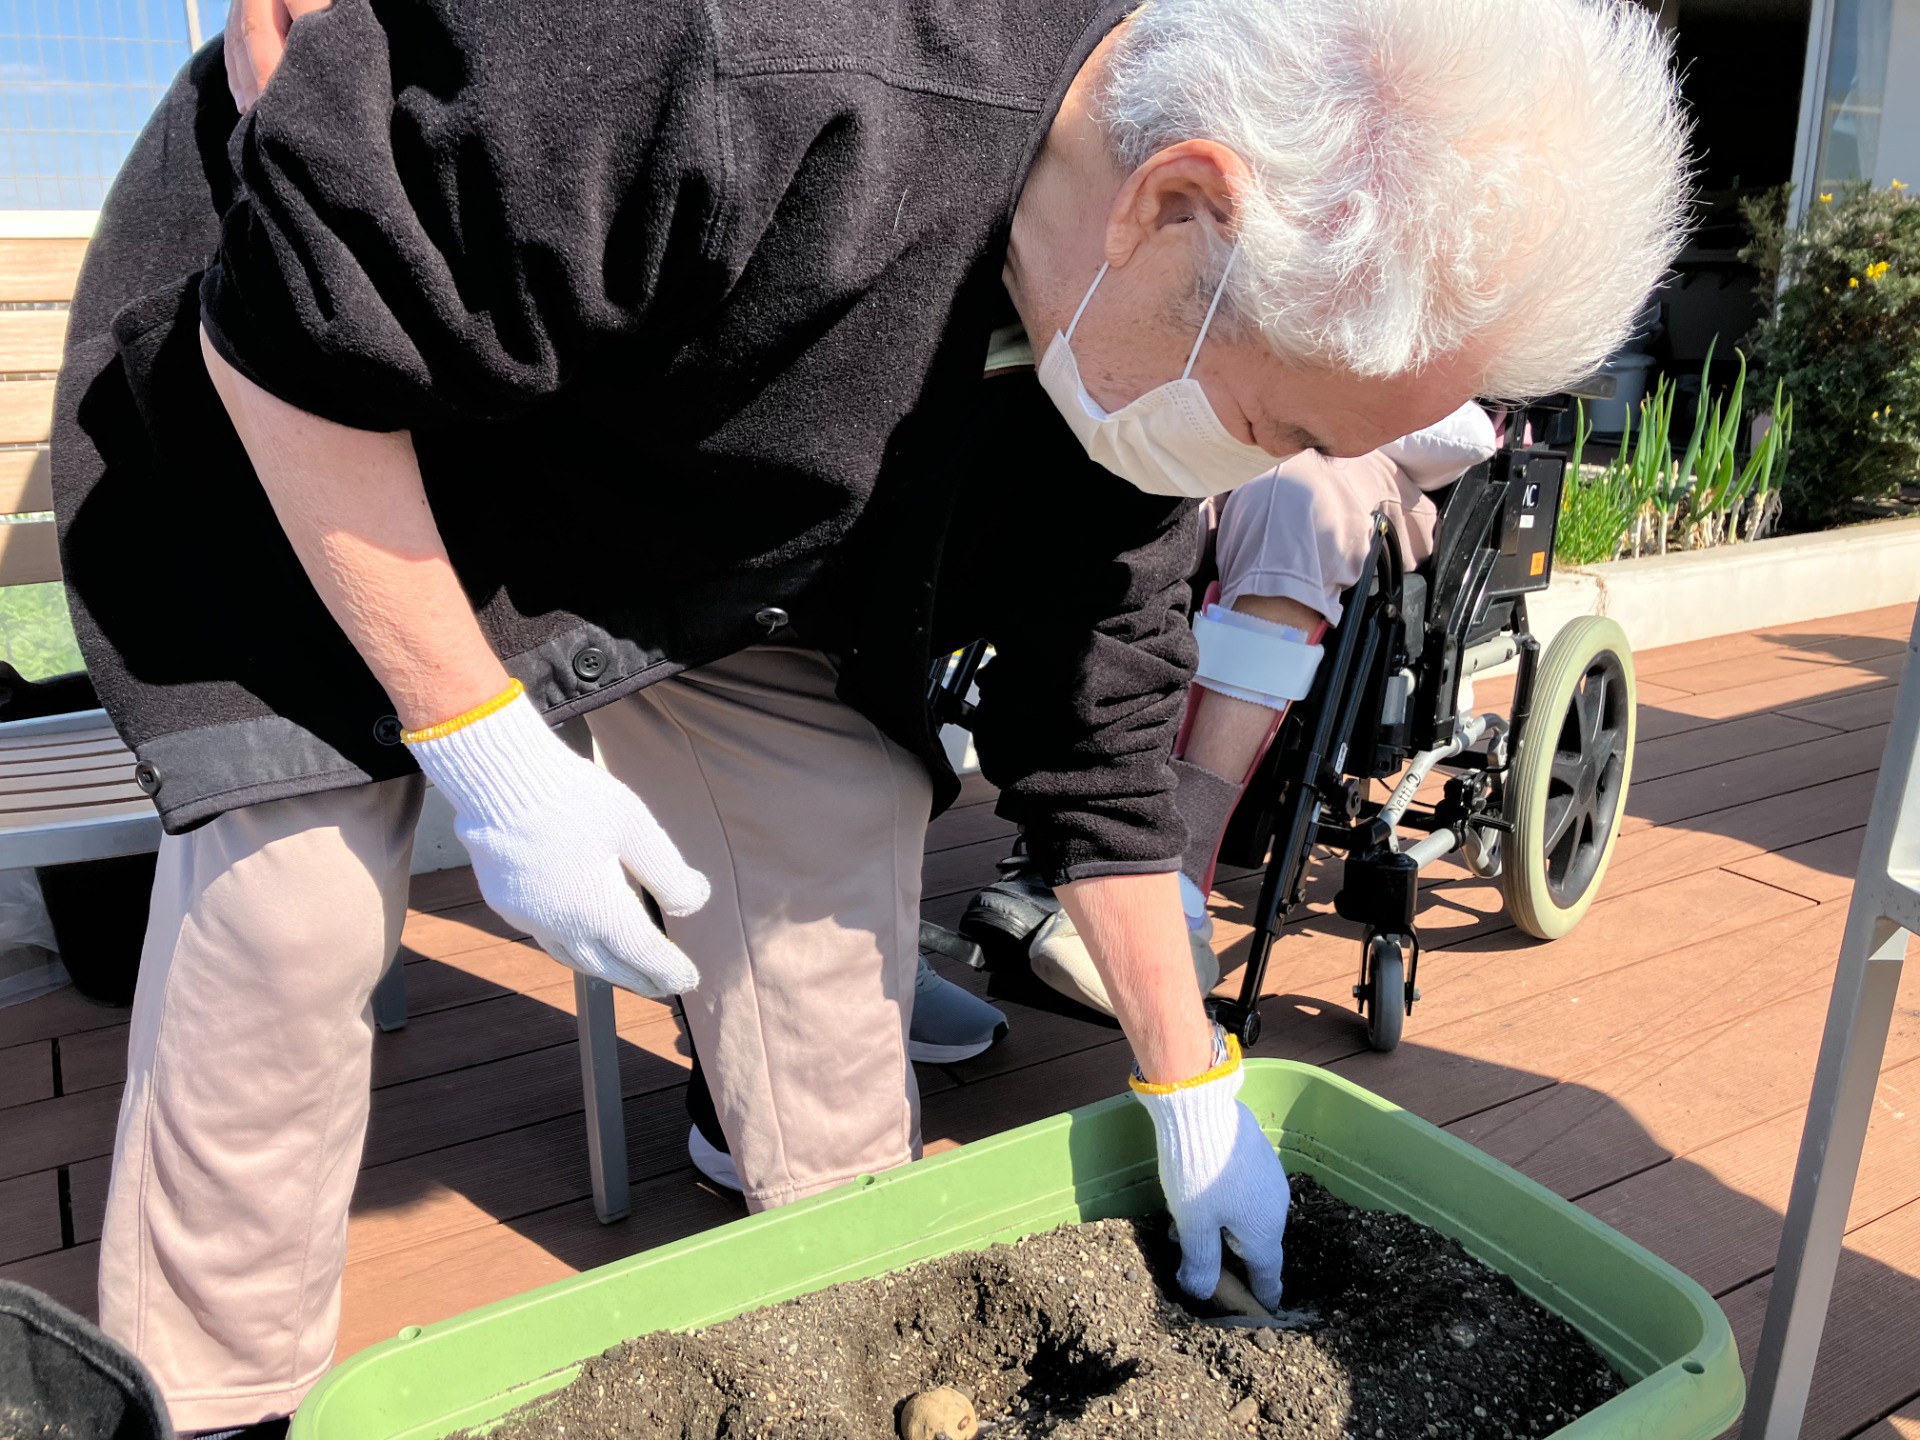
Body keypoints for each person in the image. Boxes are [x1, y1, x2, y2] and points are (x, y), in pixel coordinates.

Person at [51, 0, 1689, 1432]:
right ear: (1180, 201)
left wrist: (1191, 1087)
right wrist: (477, 737)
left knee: (841, 823)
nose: (1257, 472)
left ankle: (861, 1319)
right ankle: (211, 1410)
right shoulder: (744, 55)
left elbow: (1102, 738)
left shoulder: (1139, 358)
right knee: (296, 911)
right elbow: (291, 328)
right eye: (1272, 420)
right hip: (331, 415)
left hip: (693, 514)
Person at [967, 404, 1500, 1015]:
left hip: (1350, 455)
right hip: (1220, 424)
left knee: (1291, 493)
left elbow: (1466, 432)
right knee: (1112, 479)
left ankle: (1176, 882)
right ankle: (1064, 837)